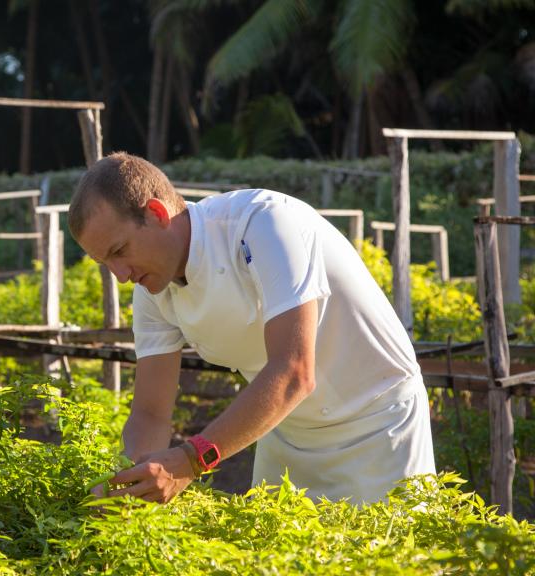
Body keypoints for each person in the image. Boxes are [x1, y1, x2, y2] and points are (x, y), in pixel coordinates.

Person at [68, 152, 436, 505]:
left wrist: (191, 460)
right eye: (106, 263)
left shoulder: (265, 224)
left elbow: (294, 372)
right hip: (286, 433)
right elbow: (150, 413)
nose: (120, 276)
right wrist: (128, 486)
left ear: (156, 213)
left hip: (381, 427)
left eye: (119, 251)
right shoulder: (153, 290)